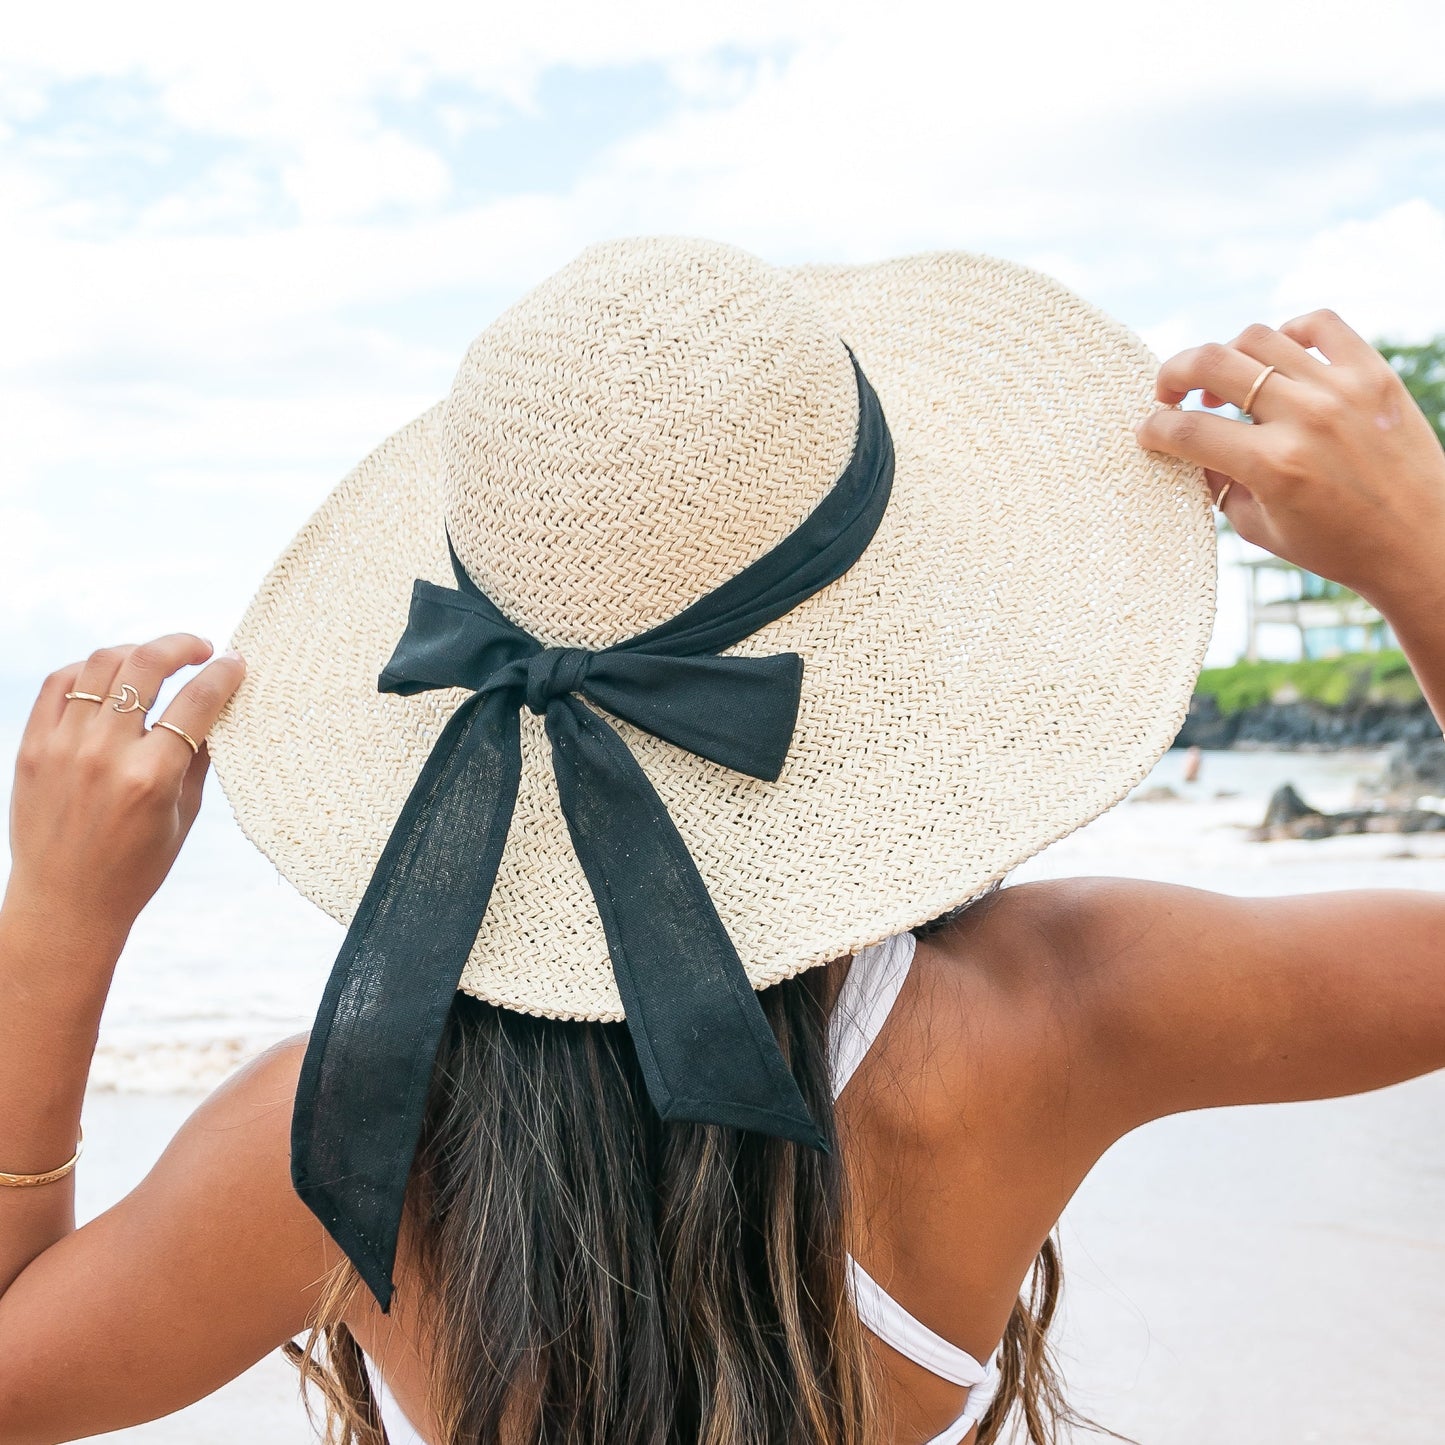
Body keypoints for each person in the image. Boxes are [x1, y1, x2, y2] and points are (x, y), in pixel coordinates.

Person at [1, 238, 1443, 1445]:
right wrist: (1416, 551)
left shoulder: (338, 1142)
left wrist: (60, 923)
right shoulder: (1059, 1012)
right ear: (913, 641)